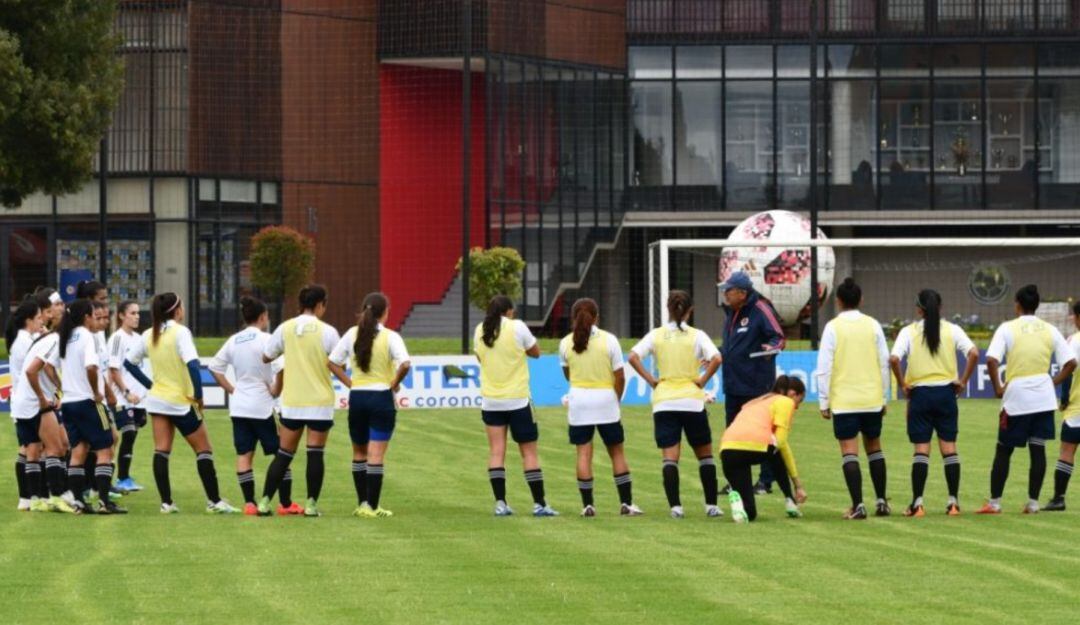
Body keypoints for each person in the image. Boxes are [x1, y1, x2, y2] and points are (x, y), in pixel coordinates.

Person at [125, 292, 237, 514]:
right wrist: (198, 395)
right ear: (177, 310)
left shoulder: (148, 333)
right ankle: (214, 502)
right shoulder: (180, 332)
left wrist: (150, 385)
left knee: (161, 450)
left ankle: (166, 503)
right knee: (204, 449)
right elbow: (193, 365)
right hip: (181, 401)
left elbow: (129, 363)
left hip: (158, 400)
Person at [979, 284, 1076, 514]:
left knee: (1004, 450)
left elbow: (992, 359)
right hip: (1043, 398)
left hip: (1017, 397)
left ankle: (995, 502)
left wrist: (998, 387)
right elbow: (1071, 363)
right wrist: (1051, 382)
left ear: (1017, 305)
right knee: (1038, 449)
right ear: (1037, 306)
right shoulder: (1050, 329)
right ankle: (1033, 503)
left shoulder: (1007, 328)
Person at [628, 290, 723, 519]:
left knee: (670, 458)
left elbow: (632, 356)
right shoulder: (697, 335)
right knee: (705, 456)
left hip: (665, 401)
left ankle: (676, 508)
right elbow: (717, 358)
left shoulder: (657, 334)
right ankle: (711, 506)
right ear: (690, 310)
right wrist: (702, 380)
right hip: (692, 401)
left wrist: (651, 379)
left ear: (668, 310)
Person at [889, 289, 979, 516]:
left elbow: (893, 358)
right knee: (949, 448)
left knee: (921, 449)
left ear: (919, 309)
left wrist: (902, 384)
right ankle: (953, 503)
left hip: (919, 395)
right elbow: (974, 353)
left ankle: (917, 504)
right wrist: (963, 381)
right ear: (940, 307)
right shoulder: (952, 330)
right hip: (946, 394)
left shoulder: (908, 332)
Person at [208, 296, 298, 516]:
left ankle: (249, 503)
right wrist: (276, 390)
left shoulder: (234, 340)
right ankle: (285, 503)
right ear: (263, 317)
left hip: (239, 406)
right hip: (261, 406)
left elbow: (214, 367)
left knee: (244, 454)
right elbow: (280, 368)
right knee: (281, 454)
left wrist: (231, 389)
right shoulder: (267, 339)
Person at [257, 285, 340, 518]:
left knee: (284, 454)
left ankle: (264, 502)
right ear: (320, 304)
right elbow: (339, 361)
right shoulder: (328, 331)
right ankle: (311, 505)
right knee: (315, 453)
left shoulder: (285, 328)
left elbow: (266, 355)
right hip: (319, 401)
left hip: (293, 401)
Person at [472, 295, 556, 517]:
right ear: (509, 311)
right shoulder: (517, 327)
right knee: (529, 453)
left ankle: (500, 503)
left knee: (496, 452)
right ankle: (539, 504)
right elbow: (536, 352)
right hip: (518, 399)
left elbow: (480, 358)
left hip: (491, 400)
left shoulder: (480, 329)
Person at [329, 292, 411, 519]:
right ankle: (373, 506)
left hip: (358, 397)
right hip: (380, 398)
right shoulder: (390, 337)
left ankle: (362, 503)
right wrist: (394, 383)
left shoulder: (351, 334)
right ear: (385, 312)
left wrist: (350, 383)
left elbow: (332, 363)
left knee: (358, 452)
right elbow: (405, 364)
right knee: (376, 455)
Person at [816, 277, 891, 520]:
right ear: (861, 299)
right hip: (871, 398)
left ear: (837, 301)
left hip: (844, 401)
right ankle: (881, 502)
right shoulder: (873, 325)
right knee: (874, 448)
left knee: (850, 452)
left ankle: (858, 505)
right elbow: (883, 363)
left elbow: (824, 367)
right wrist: (884, 397)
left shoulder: (832, 328)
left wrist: (824, 401)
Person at [559, 298, 641, 517]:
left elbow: (567, 373)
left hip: (579, 399)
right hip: (605, 399)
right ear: (597, 317)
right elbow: (620, 376)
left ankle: (588, 505)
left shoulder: (566, 342)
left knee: (583, 453)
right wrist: (615, 398)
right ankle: (626, 503)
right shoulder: (609, 340)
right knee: (616, 453)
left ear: (573, 316)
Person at [718, 271, 786, 495]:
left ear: (742, 293)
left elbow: (779, 338)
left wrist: (770, 348)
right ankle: (736, 482)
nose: (725, 293)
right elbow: (731, 347)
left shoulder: (760, 310)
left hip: (756, 385)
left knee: (762, 434)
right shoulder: (731, 313)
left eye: (729, 290)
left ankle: (765, 482)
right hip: (733, 385)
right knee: (734, 436)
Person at [56, 299, 125, 514]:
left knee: (79, 451)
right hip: (87, 401)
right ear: (86, 317)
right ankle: (104, 502)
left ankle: (78, 502)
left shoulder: (65, 337)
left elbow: (52, 366)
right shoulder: (87, 336)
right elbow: (91, 367)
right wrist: (96, 391)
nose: (97, 321)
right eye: (95, 317)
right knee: (106, 449)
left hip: (68, 402)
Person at [12, 307, 76, 513]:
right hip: (34, 403)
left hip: (21, 402)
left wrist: (58, 388)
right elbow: (34, 370)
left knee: (33, 450)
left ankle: (34, 500)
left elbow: (46, 367)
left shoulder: (47, 339)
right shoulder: (56, 341)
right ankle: (57, 496)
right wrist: (42, 398)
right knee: (56, 449)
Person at [720, 376, 808, 523]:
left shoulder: (754, 403)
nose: (797, 407)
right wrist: (797, 485)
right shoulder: (785, 401)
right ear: (793, 393)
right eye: (800, 401)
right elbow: (781, 443)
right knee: (776, 452)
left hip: (727, 449)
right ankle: (790, 501)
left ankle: (737, 501)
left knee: (750, 514)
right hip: (754, 445)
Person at [6, 298, 48, 510]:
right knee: (33, 448)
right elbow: (32, 371)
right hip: (28, 401)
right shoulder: (24, 342)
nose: (42, 322)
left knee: (29, 448)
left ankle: (29, 497)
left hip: (22, 400)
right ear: (29, 320)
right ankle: (32, 496)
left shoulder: (23, 339)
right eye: (39, 318)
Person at [107, 301, 149, 492]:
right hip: (122, 397)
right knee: (128, 432)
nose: (137, 316)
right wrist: (125, 392)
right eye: (132, 313)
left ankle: (125, 477)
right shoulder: (117, 338)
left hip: (138, 399)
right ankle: (121, 478)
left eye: (138, 313)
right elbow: (114, 370)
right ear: (122, 316)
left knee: (132, 435)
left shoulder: (139, 338)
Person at [1046, 301, 1080, 511]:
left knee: (1067, 452)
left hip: (1077, 410)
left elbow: (1069, 370)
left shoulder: (1074, 341)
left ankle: (1059, 498)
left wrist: (1064, 398)